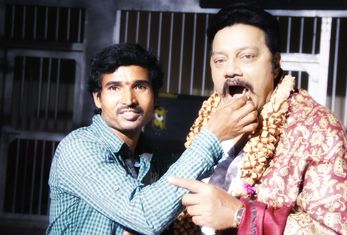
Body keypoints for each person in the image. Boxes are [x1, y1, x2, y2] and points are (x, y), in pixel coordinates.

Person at [169, 5, 347, 234]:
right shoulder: (210, 122)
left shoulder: (319, 131)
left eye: (247, 56)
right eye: (220, 60)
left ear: (276, 63)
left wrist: (240, 214)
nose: (231, 70)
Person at [46, 43, 259, 235]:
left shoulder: (154, 156)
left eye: (140, 86)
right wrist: (212, 135)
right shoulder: (79, 148)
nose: (129, 100)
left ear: (155, 97)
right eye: (114, 88)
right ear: (97, 98)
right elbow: (146, 217)